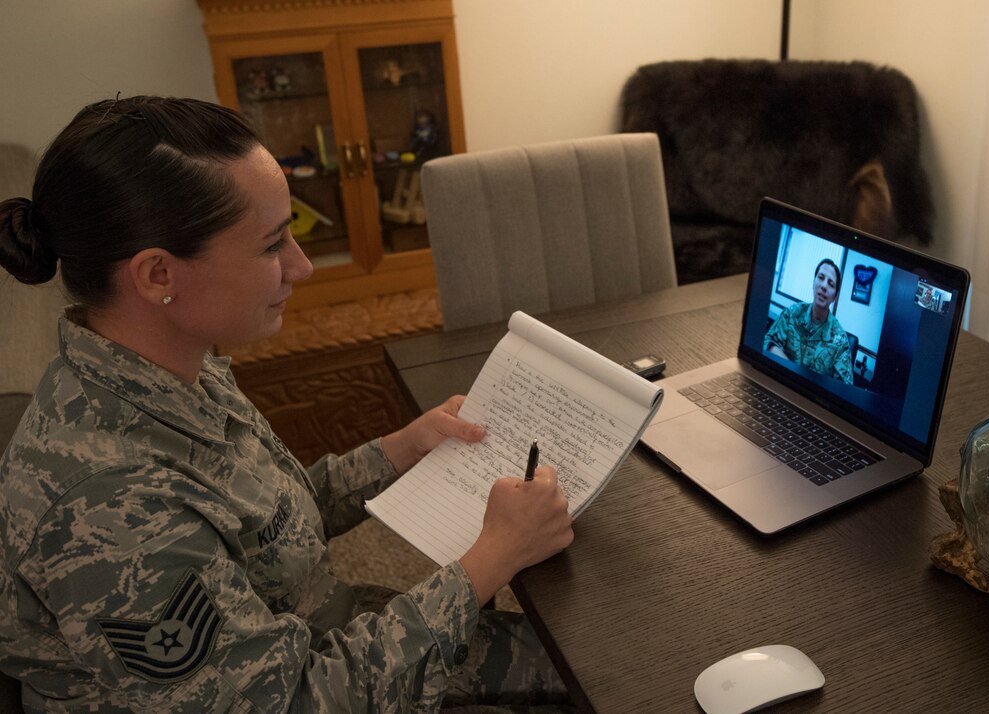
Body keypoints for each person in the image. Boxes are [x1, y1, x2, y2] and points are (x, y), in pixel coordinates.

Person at [0, 96, 574, 712]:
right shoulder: (108, 503)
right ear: (158, 275)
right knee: (597, 679)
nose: (300, 267)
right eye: (272, 245)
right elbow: (287, 701)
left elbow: (266, 526)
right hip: (305, 683)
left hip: (314, 635)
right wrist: (492, 559)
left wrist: (398, 450)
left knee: (578, 659)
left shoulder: (168, 368)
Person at [763, 258, 854, 384]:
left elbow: (845, 388)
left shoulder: (840, 341)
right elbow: (769, 342)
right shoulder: (792, 313)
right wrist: (792, 373)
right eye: (821, 277)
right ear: (813, 281)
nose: (823, 286)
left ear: (835, 297)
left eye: (831, 284)